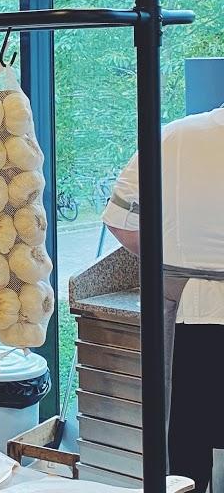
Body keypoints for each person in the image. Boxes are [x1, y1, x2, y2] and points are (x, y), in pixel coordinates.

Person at [102, 104, 224, 492]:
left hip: (190, 314)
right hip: (190, 311)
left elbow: (120, 222)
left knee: (186, 451)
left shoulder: (173, 136)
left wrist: (168, 265)